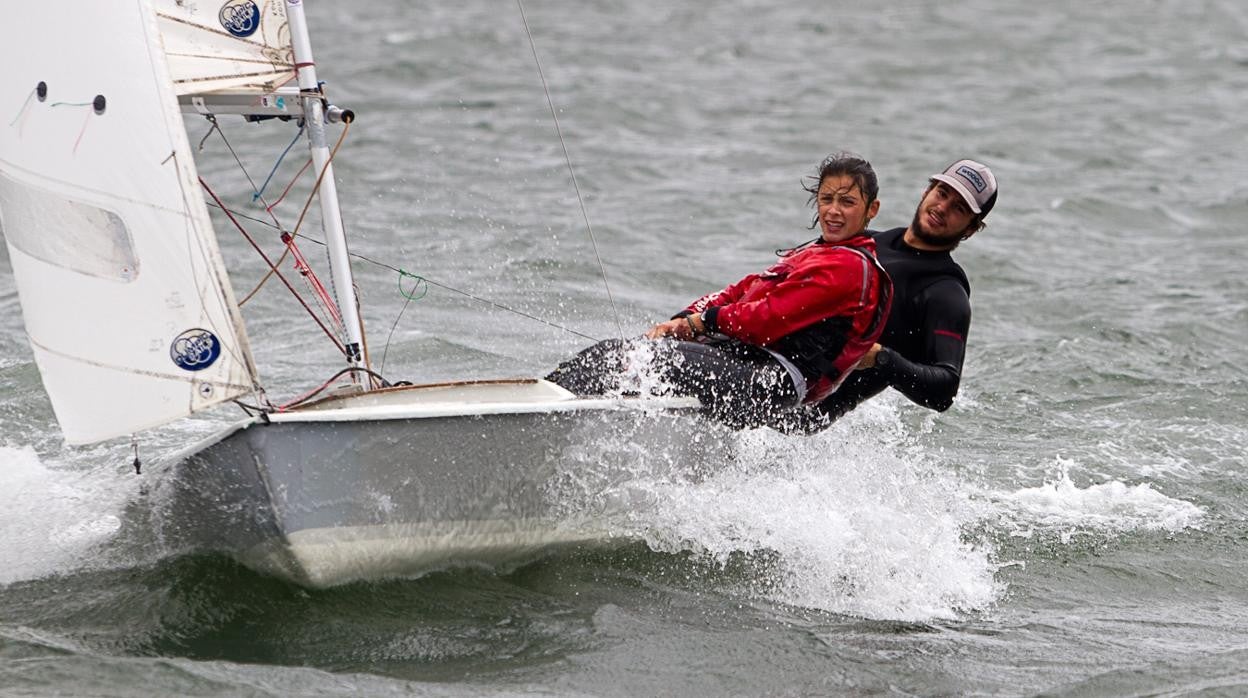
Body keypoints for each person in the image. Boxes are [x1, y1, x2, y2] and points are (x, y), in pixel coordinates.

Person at [546, 152, 892, 429]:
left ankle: (545, 413)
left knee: (633, 359)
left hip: (772, 383)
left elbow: (766, 319)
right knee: (622, 355)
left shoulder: (849, 268)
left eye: (846, 202)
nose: (833, 210)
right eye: (826, 199)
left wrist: (701, 324)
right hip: (745, 363)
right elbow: (741, 291)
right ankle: (549, 400)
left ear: (870, 210)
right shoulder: (815, 253)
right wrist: (683, 320)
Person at [779, 158, 998, 432]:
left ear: (970, 228)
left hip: (791, 421)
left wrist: (881, 359)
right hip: (766, 361)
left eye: (959, 208)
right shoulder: (863, 240)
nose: (942, 208)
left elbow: (945, 389)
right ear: (926, 192)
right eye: (942, 194)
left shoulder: (945, 293)